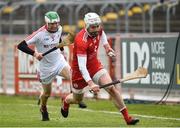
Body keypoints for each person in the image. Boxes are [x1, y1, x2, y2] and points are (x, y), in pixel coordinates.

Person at [60, 12, 139, 125]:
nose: (96, 29)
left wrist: (107, 48)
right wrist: (91, 83)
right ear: (86, 26)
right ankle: (66, 101)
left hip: (94, 66)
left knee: (111, 88)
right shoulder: (81, 41)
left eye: (98, 26)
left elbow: (102, 34)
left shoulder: (98, 29)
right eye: (93, 27)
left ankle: (128, 119)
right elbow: (82, 67)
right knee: (77, 99)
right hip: (79, 73)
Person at [17, 11, 72, 121]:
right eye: (52, 24)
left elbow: (58, 39)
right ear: (46, 23)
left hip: (59, 61)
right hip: (45, 68)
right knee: (46, 94)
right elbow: (21, 45)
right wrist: (35, 54)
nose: (55, 25)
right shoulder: (39, 34)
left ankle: (66, 101)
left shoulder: (59, 28)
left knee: (74, 78)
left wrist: (61, 49)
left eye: (56, 23)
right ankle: (43, 108)